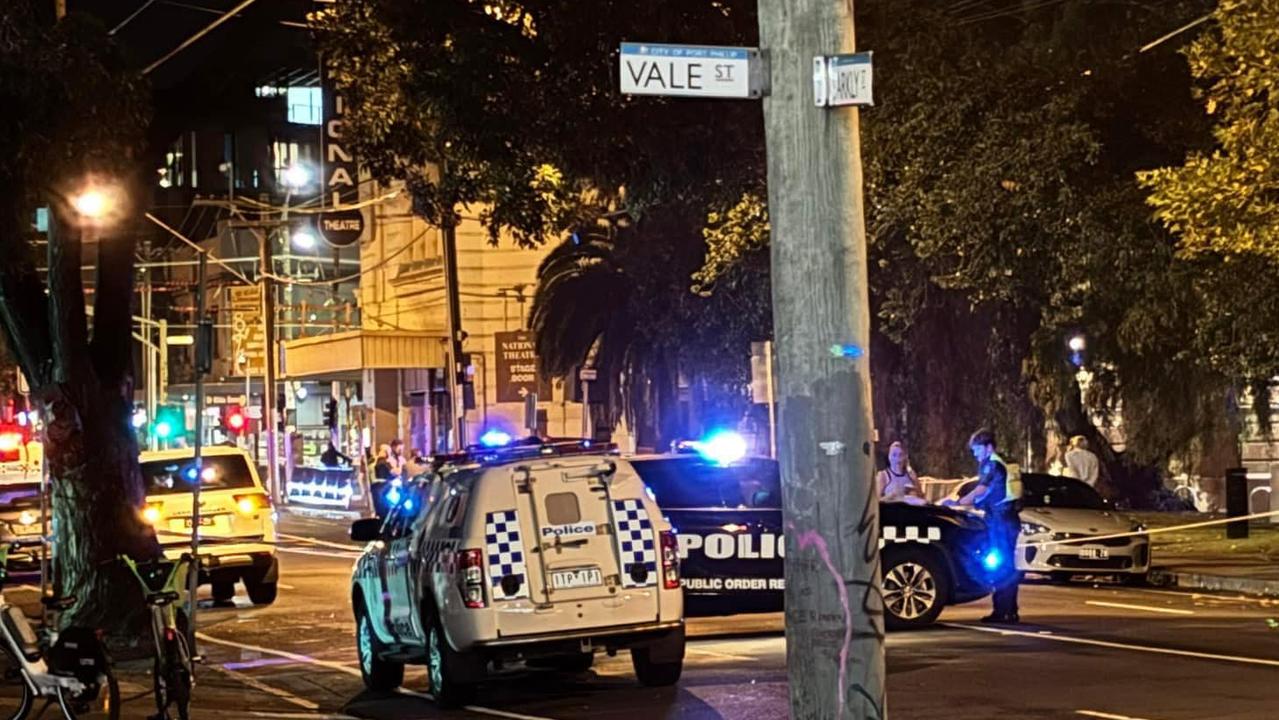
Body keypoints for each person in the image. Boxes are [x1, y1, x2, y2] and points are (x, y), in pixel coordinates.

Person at [956, 429, 1024, 624]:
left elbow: (981, 489)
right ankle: (1008, 609)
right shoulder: (1005, 461)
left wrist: (959, 502)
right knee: (1006, 565)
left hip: (1000, 521)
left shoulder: (992, 464)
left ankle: (1003, 611)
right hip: (1008, 518)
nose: (975, 454)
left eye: (977, 449)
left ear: (988, 447)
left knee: (1001, 565)